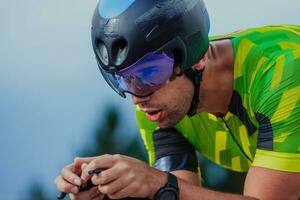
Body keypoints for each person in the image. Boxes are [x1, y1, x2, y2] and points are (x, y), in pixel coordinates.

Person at [54, 0, 300, 199]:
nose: (137, 99)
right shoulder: (157, 104)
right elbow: (177, 192)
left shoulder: (283, 75)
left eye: (149, 73)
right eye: (122, 79)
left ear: (198, 57)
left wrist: (155, 181)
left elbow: (165, 186)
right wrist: (112, 192)